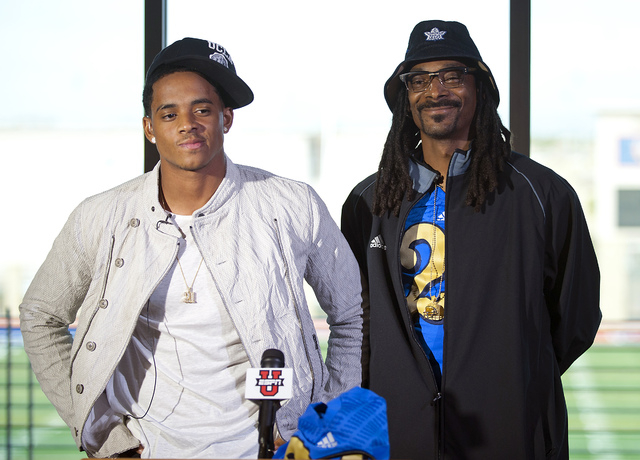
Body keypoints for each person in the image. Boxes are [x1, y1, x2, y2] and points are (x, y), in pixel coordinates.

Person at [20, 37, 363, 459]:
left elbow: (352, 313)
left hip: (268, 446)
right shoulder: (100, 216)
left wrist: (321, 423)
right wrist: (109, 441)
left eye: (202, 109)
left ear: (226, 118)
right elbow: (40, 315)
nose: (188, 123)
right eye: (169, 114)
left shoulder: (291, 205)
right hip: (147, 448)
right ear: (150, 128)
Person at [341, 20, 601, 460]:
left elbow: (574, 318)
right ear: (405, 96)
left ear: (480, 88)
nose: (435, 90)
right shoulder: (368, 201)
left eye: (451, 76)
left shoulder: (541, 193)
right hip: (399, 431)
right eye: (419, 79)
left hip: (509, 428)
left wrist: (510, 372)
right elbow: (356, 318)